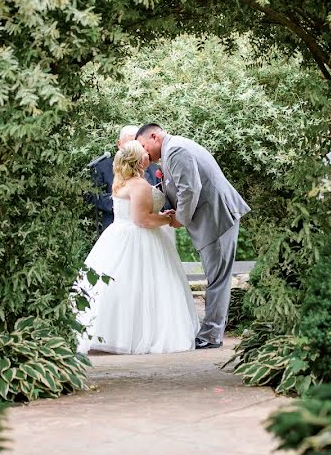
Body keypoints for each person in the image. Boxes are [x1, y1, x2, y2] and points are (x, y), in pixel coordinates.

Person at [76, 141, 199, 354]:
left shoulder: (120, 181)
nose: (147, 154)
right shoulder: (139, 185)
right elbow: (141, 220)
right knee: (148, 285)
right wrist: (168, 220)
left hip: (117, 235)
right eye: (143, 152)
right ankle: (142, 335)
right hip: (140, 237)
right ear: (137, 159)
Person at [136, 124, 250, 349]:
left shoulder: (177, 150)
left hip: (217, 218)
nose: (143, 151)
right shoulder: (171, 152)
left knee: (217, 278)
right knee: (215, 276)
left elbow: (189, 189)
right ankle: (211, 332)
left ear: (154, 136)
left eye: (142, 145)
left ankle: (211, 336)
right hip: (211, 219)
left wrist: (179, 218)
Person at [86, 125, 163, 233]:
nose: (133, 149)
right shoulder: (102, 168)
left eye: (137, 145)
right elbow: (92, 195)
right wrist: (120, 204)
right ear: (119, 144)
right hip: (115, 228)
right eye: (129, 143)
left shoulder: (155, 169)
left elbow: (163, 197)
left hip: (150, 230)